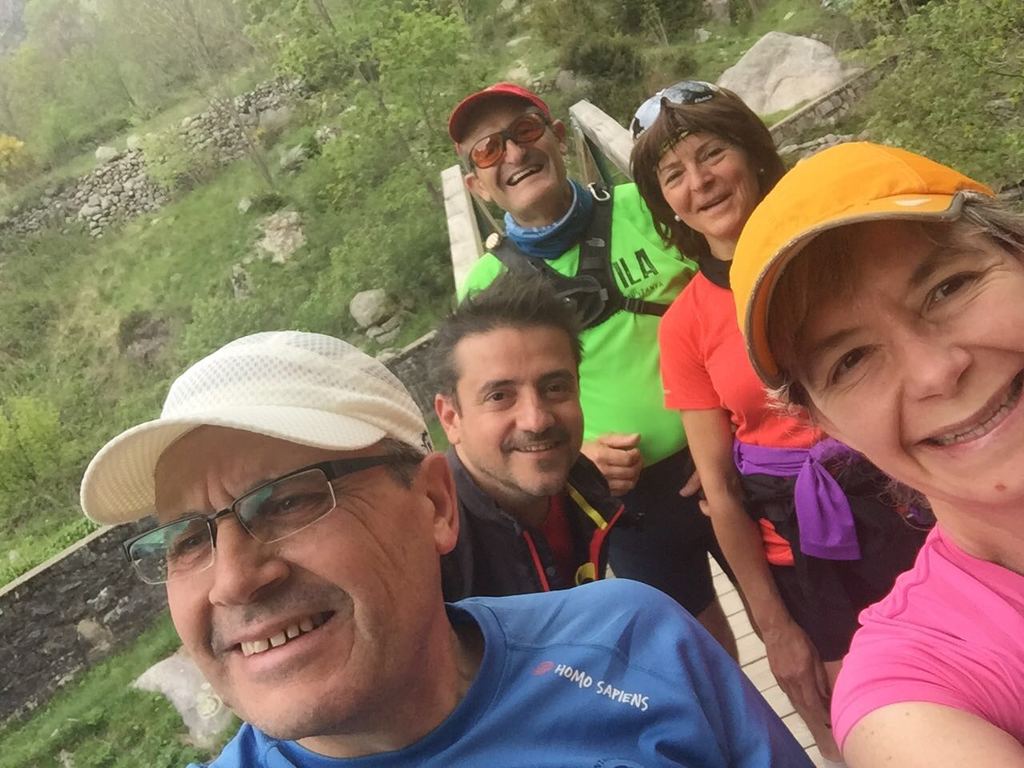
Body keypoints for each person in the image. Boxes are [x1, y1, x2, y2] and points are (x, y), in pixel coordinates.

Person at [79, 330, 813, 767]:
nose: (233, 580)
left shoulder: (634, 643)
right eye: (187, 539)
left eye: (292, 500)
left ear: (434, 503)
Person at [629, 85, 927, 762]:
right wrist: (774, 629)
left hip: (907, 502)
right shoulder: (686, 324)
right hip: (804, 556)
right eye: (674, 175)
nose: (699, 182)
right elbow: (718, 487)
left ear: (752, 154)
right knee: (858, 735)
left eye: (712, 154)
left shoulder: (834, 253)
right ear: (664, 203)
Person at [732, 141, 1024, 767]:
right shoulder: (913, 687)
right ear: (823, 424)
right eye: (852, 360)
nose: (935, 372)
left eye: (949, 288)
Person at [449, 81, 738, 657]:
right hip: (626, 501)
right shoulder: (485, 291)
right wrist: (575, 456)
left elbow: (729, 302)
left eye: (526, 130)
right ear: (475, 184)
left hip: (733, 455)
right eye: (488, 149)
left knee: (798, 624)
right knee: (700, 655)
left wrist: (726, 433)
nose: (514, 153)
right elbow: (494, 412)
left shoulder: (649, 208)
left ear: (558, 137)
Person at [432, 273, 628, 599]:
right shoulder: (433, 558)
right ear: (451, 418)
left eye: (555, 388)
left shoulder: (584, 486)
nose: (536, 420)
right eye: (499, 396)